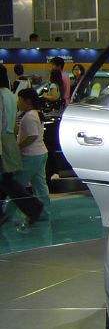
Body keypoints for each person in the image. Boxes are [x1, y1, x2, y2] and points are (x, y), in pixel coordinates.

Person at [0, 73, 43, 227]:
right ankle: (32, 207)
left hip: (2, 142)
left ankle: (33, 206)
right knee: (7, 181)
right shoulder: (11, 96)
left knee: (7, 181)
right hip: (9, 140)